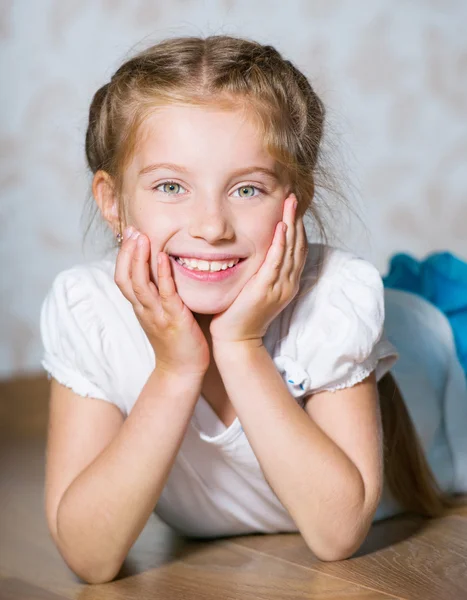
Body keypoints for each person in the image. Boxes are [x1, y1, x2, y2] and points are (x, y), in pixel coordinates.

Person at [39, 35, 467, 584]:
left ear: (298, 199)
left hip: (443, 362)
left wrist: (240, 348)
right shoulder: (88, 310)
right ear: (113, 203)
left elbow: (336, 534)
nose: (211, 227)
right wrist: (175, 370)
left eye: (247, 190)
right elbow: (89, 557)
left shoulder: (337, 299)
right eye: (171, 186)